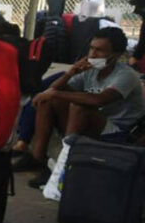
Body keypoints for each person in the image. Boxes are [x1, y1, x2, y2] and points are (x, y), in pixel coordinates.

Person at [16, 27, 145, 188]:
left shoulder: (126, 75)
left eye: (99, 51)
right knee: (47, 101)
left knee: (79, 106)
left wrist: (55, 94)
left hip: (118, 130)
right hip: (90, 122)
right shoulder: (90, 70)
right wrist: (71, 72)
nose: (92, 55)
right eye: (91, 48)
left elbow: (99, 100)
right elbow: (55, 89)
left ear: (117, 55)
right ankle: (38, 160)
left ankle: (67, 166)